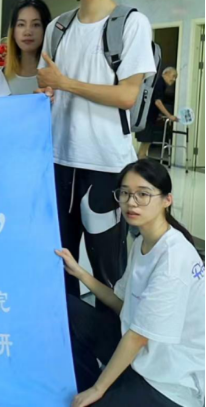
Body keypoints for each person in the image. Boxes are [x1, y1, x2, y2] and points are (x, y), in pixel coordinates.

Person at [38, 0, 157, 301]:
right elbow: (49, 88)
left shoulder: (131, 23)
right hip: (58, 163)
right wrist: (48, 92)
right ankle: (69, 338)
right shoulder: (59, 28)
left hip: (106, 166)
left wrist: (65, 83)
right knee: (56, 266)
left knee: (108, 271)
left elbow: (127, 96)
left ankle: (112, 339)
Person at [57, 159, 204, 407]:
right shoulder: (143, 242)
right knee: (65, 310)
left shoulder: (173, 259)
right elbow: (121, 304)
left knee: (94, 398)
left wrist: (98, 389)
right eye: (124, 193)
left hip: (169, 380)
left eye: (143, 194)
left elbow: (138, 337)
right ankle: (95, 386)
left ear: (167, 200)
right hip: (142, 356)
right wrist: (80, 273)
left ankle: (101, 389)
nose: (131, 202)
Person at [4, 0, 52, 96]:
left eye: (36, 25)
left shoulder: (55, 76)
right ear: (13, 31)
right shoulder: (1, 76)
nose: (28, 32)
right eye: (21, 25)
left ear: (45, 29)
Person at [137, 67, 179, 160]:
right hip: (147, 117)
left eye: (175, 78)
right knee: (146, 140)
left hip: (150, 116)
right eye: (173, 76)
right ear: (166, 73)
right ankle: (141, 160)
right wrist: (169, 116)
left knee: (147, 141)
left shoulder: (160, 83)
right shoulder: (160, 83)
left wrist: (159, 114)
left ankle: (141, 159)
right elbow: (157, 101)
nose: (174, 79)